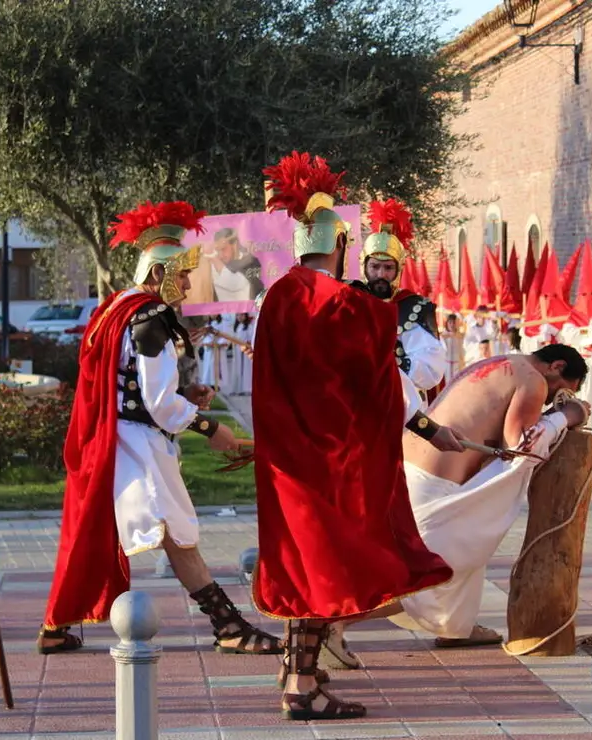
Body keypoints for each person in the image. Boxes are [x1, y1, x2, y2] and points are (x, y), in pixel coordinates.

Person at [254, 152, 459, 720]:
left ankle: (301, 668)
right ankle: (301, 685)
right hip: (329, 461)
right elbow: (381, 387)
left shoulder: (276, 297)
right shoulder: (343, 306)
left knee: (303, 565)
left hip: (282, 459)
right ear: (340, 244)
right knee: (327, 567)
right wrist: (428, 428)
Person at [38, 200, 282, 657]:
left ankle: (56, 625)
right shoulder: (151, 319)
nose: (188, 283)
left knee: (106, 533)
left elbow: (133, 388)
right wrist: (212, 428)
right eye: (182, 274)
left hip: (120, 438)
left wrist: (186, 398)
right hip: (138, 445)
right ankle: (227, 625)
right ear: (158, 272)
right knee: (176, 531)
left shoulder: (119, 308)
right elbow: (157, 404)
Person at [397, 346, 589, 641]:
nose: (552, 400)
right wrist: (565, 417)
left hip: (414, 467)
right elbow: (521, 446)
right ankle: (336, 622)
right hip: (433, 479)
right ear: (556, 366)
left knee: (470, 548)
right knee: (436, 567)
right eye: (560, 391)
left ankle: (455, 629)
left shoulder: (500, 361)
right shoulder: (533, 379)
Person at [358, 199, 447, 408]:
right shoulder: (351, 302)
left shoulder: (414, 308)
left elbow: (430, 369)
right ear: (365, 266)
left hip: (404, 406)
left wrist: (390, 362)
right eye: (375, 267)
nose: (381, 274)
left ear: (398, 270)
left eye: (388, 268)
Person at [186, 227, 264, 304]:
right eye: (217, 250)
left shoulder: (251, 263)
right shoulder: (213, 264)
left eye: (223, 249)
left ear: (234, 245)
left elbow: (235, 284)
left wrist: (216, 262)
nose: (220, 255)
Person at [442, 313, 465, 380]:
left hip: (458, 363)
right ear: (447, 323)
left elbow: (460, 337)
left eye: (454, 323)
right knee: (448, 383)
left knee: (457, 383)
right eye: (450, 322)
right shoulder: (443, 335)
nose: (452, 325)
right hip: (447, 363)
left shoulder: (460, 335)